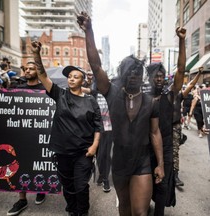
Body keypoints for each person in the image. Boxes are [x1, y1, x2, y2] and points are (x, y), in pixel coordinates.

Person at [77, 11, 164, 216]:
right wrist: (89, 30)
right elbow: (96, 65)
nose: (133, 75)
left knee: (140, 213)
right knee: (124, 207)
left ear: (142, 75)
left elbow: (155, 133)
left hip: (142, 161)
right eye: (129, 72)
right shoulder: (112, 92)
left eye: (137, 72)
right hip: (120, 160)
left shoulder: (151, 102)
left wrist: (160, 164)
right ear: (122, 74)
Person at [31, 41, 102, 216]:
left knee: (81, 185)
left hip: (82, 152)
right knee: (68, 186)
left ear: (82, 80)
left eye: (75, 76)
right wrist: (36, 54)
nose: (71, 78)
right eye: (69, 76)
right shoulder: (59, 94)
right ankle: (72, 210)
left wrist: (94, 147)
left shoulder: (90, 101)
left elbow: (98, 125)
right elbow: (41, 75)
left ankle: (82, 212)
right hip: (62, 152)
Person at [146, 26, 186, 216]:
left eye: (162, 76)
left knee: (162, 185)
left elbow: (181, 70)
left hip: (167, 146)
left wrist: (182, 41)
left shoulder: (170, 96)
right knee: (145, 182)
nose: (160, 79)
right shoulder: (143, 98)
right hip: (146, 148)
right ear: (150, 78)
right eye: (156, 76)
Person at [6, 62, 47, 216]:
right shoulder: (17, 88)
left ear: (38, 71)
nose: (28, 71)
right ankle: (22, 199)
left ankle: (41, 189)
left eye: (31, 68)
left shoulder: (45, 90)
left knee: (38, 161)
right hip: (21, 134)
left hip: (40, 133)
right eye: (26, 69)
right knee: (19, 163)